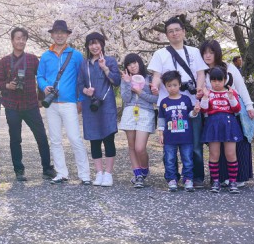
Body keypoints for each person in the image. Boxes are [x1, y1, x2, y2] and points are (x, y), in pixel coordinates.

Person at [148, 17, 207, 188]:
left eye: (177, 30)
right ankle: (172, 177)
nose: (174, 33)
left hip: (190, 103)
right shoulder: (160, 54)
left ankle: (195, 177)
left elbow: (201, 74)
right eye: (170, 31)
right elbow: (157, 75)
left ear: (183, 31)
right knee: (170, 143)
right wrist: (154, 86)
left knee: (194, 142)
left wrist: (199, 91)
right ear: (167, 35)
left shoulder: (194, 52)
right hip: (168, 104)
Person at [0, 27, 56, 181]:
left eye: (23, 38)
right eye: (17, 38)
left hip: (31, 104)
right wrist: (7, 85)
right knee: (15, 138)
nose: (20, 41)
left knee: (41, 136)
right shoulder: (4, 61)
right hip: (12, 105)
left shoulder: (32, 59)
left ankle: (47, 168)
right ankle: (19, 170)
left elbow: (41, 78)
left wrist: (42, 99)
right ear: (12, 40)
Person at [37, 20, 91, 185]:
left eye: (62, 32)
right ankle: (61, 173)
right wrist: (45, 86)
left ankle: (85, 174)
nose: (59, 35)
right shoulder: (46, 56)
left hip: (69, 103)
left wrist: (80, 100)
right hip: (51, 104)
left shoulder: (75, 55)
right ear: (52, 35)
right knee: (55, 139)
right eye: (56, 32)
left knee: (75, 138)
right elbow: (40, 76)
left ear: (67, 35)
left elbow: (81, 79)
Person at [200, 40, 254, 187]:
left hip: (234, 110)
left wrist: (249, 106)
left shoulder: (229, 67)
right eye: (205, 52)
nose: (207, 55)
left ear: (217, 53)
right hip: (213, 115)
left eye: (211, 52)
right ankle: (221, 178)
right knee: (216, 148)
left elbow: (241, 87)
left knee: (238, 144)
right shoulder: (201, 72)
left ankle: (239, 177)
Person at [77, 32, 121, 187]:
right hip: (91, 105)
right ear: (87, 46)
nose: (94, 46)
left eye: (97, 43)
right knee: (94, 140)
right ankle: (99, 173)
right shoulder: (84, 64)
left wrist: (105, 68)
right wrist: (85, 91)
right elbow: (79, 84)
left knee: (109, 138)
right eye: (91, 43)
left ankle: (108, 174)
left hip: (107, 105)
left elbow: (116, 81)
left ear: (102, 44)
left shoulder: (110, 60)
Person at [156, 71, 201, 192]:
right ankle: (172, 179)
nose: (172, 88)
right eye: (169, 85)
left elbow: (190, 115)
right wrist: (161, 133)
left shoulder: (186, 99)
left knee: (187, 158)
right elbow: (161, 119)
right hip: (169, 137)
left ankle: (188, 179)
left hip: (186, 136)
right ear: (165, 86)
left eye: (175, 85)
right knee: (169, 158)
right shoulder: (164, 102)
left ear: (180, 84)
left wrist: (195, 111)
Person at [200, 66, 243, 193]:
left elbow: (237, 109)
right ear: (210, 80)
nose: (216, 83)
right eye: (213, 80)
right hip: (213, 124)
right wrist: (205, 97)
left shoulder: (231, 92)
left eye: (219, 80)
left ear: (225, 79)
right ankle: (216, 181)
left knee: (230, 154)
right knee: (214, 154)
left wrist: (231, 97)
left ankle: (233, 181)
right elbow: (204, 110)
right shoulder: (208, 93)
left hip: (229, 124)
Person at [119, 53, 158, 188]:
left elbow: (156, 100)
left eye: (134, 62)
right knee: (131, 146)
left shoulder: (150, 79)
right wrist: (128, 83)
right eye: (129, 64)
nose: (132, 66)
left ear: (140, 62)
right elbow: (126, 99)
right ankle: (138, 175)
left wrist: (140, 93)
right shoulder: (125, 79)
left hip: (146, 112)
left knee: (139, 147)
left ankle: (144, 168)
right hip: (130, 111)